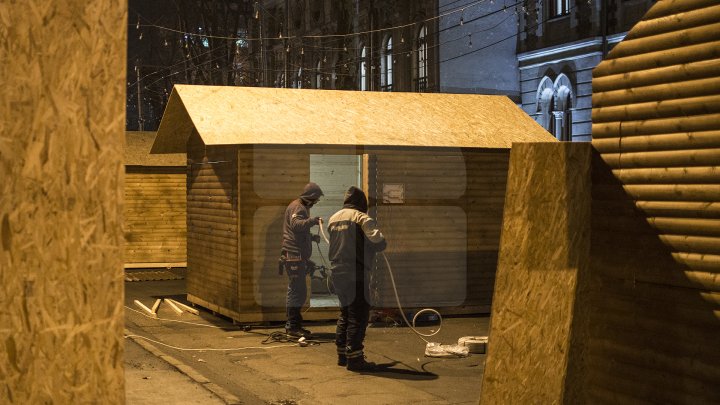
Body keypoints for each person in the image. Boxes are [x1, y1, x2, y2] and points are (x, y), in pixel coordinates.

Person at [327, 186, 386, 372]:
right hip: (355, 273)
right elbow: (379, 242)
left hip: (337, 272)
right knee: (358, 316)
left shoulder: (333, 218)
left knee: (345, 313)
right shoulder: (362, 218)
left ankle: (342, 355)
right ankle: (355, 359)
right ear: (362, 203)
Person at [281, 182, 324, 338]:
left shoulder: (300, 206)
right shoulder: (298, 207)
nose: (316, 202)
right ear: (310, 197)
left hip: (297, 256)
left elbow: (297, 232)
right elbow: (296, 225)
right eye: (316, 199)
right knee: (297, 291)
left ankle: (294, 325)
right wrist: (312, 221)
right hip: (293, 255)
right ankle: (292, 327)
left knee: (298, 291)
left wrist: (311, 237)